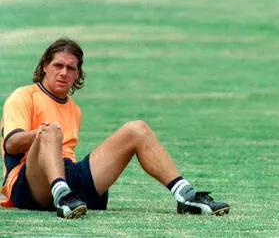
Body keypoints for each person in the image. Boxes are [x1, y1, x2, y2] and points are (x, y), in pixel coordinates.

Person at [0, 38, 230, 219]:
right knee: (51, 131)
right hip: (29, 184)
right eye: (58, 65)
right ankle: (62, 195)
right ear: (44, 67)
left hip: (68, 175)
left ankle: (186, 196)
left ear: (78, 74)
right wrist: (43, 133)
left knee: (136, 129)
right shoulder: (24, 96)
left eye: (71, 68)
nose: (64, 72)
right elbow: (11, 144)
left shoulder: (73, 109)